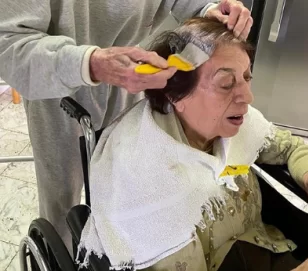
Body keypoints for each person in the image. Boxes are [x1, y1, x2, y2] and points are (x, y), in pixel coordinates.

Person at [78, 18, 308, 271]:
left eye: (247, 77)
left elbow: (290, 147)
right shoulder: (147, 184)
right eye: (227, 84)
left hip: (268, 248)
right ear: (177, 96)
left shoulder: (235, 125)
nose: (247, 96)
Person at [0, 0, 253, 251]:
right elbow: (9, 46)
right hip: (54, 81)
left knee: (123, 190)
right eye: (226, 84)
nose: (246, 97)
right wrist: (92, 64)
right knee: (61, 202)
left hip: (129, 77)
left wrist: (208, 10)